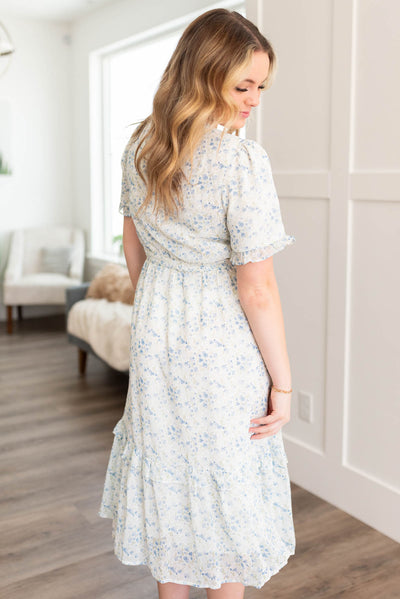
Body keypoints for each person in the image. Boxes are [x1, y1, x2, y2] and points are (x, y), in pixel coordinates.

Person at [99, 8, 296, 599]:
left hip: (158, 332)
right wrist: (283, 387)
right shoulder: (240, 162)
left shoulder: (142, 144)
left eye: (261, 87)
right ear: (205, 74)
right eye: (244, 86)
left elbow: (134, 248)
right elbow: (256, 287)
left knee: (172, 482)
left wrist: (159, 306)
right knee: (223, 492)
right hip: (220, 344)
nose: (254, 100)